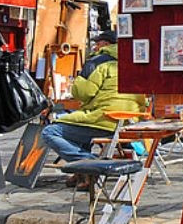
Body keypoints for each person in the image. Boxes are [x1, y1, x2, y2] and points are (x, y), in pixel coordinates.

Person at [42, 31, 146, 188]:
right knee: (80, 125)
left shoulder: (98, 62)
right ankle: (82, 175)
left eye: (98, 44)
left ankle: (89, 164)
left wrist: (81, 78)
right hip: (129, 122)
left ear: (105, 44)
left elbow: (82, 93)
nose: (96, 47)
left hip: (105, 120)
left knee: (50, 131)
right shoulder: (133, 63)